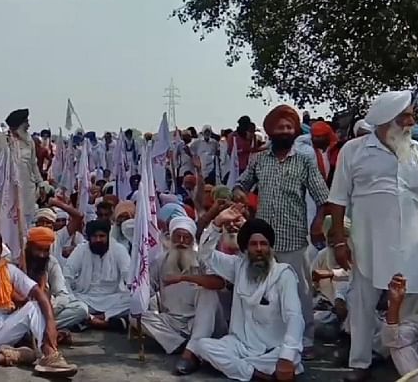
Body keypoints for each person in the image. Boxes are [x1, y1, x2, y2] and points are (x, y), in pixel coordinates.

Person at [328, 90, 418, 382]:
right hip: (369, 242)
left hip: (415, 243)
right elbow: (338, 200)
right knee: (362, 304)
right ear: (385, 121)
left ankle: (401, 358)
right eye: (404, 117)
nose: (410, 122)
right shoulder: (353, 151)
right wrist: (340, 240)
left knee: (412, 305)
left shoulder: (417, 152)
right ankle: (360, 363)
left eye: (410, 116)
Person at [233, 104, 329, 354]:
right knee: (261, 289)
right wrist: (239, 195)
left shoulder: (305, 162)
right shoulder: (259, 160)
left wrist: (318, 222)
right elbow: (241, 184)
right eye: (280, 127)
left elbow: (323, 198)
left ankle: (305, 340)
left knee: (300, 290)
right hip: (263, 239)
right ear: (271, 132)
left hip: (294, 237)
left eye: (289, 127)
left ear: (295, 131)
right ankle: (264, 336)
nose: (285, 131)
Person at [0, 202, 78, 374]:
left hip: (0, 331)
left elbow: (38, 294)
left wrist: (50, 324)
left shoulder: (9, 270)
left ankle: (49, 355)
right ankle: (8, 356)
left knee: (34, 306)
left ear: (0, 251)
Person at [187, 215, 304, 381]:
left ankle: (244, 368)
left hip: (271, 350)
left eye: (263, 244)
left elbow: (295, 317)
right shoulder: (238, 267)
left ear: (270, 247)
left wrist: (286, 356)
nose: (258, 249)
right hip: (240, 346)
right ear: (245, 249)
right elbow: (205, 254)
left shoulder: (283, 274)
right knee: (203, 346)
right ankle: (258, 374)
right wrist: (217, 224)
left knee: (291, 357)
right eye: (253, 244)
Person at [139, 216, 225, 375]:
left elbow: (218, 283)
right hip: (173, 322)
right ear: (171, 238)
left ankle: (190, 351)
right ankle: (184, 345)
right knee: (137, 315)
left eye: (186, 237)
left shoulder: (202, 258)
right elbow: (148, 288)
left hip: (200, 321)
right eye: (177, 236)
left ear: (192, 240)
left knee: (207, 292)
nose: (181, 241)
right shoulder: (161, 260)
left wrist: (184, 278)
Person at [64, 220, 131, 330]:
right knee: (70, 302)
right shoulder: (81, 250)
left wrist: (133, 288)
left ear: (108, 236)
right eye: (94, 236)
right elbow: (67, 275)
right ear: (89, 238)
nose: (98, 240)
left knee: (134, 300)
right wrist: (70, 297)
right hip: (86, 299)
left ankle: (95, 319)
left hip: (113, 298)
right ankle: (109, 322)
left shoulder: (119, 249)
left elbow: (128, 274)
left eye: (102, 236)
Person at [0, 108, 43, 230]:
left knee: (24, 225)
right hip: (4, 191)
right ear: (18, 125)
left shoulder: (30, 142)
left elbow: (33, 165)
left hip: (26, 190)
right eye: (26, 123)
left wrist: (41, 183)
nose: (28, 126)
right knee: (5, 224)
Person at [23, 226, 88, 332]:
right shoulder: (18, 263)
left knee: (81, 309)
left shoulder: (51, 262)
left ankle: (38, 329)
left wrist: (48, 309)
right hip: (23, 312)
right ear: (29, 247)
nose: (42, 255)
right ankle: (39, 329)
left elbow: (62, 294)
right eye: (38, 249)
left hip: (49, 309)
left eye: (46, 250)